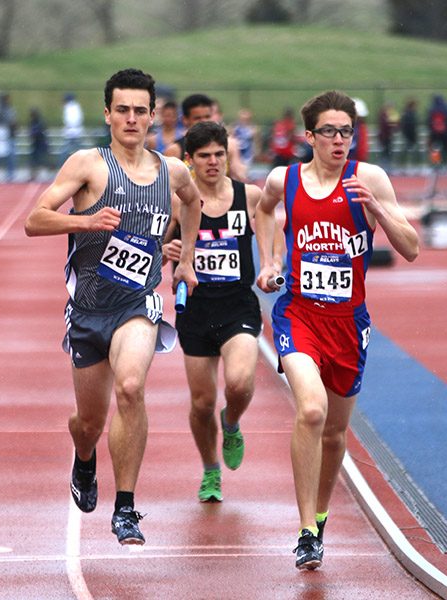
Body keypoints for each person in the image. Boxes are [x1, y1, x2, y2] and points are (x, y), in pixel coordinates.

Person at [24, 68, 202, 546]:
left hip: (138, 303)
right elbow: (34, 220)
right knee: (89, 423)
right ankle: (85, 458)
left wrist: (182, 258)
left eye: (139, 110)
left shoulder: (173, 170)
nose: (130, 118)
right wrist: (85, 224)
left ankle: (126, 508)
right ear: (107, 114)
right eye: (121, 109)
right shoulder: (88, 164)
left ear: (153, 117)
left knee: (130, 387)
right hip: (87, 310)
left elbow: (193, 202)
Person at [254, 90, 419, 570]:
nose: (340, 140)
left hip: (349, 324)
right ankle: (306, 530)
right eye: (329, 131)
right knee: (311, 410)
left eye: (347, 131)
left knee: (334, 432)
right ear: (309, 136)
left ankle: (320, 516)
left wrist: (381, 211)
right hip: (298, 315)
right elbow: (264, 210)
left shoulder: (369, 178)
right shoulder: (283, 179)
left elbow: (410, 248)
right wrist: (271, 260)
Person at [161, 121, 263, 503]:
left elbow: (273, 228)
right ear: (189, 161)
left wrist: (272, 263)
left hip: (238, 304)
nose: (213, 162)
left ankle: (232, 422)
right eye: (204, 156)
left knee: (238, 383)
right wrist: (165, 253)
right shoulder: (177, 201)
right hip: (196, 310)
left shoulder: (248, 196)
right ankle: (210, 470)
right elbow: (154, 248)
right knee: (202, 403)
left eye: (219, 154)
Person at [164, 93, 247, 181]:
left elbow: (239, 175)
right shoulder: (175, 150)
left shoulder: (229, 145)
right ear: (185, 120)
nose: (204, 121)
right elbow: (169, 185)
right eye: (197, 118)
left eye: (207, 116)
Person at [58, 92, 84, 167]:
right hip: (77, 132)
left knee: (64, 152)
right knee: (80, 152)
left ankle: (60, 168)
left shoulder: (69, 107)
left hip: (71, 133)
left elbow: (70, 121)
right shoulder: (76, 106)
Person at [398, 98, 420, 173]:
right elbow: (410, 127)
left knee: (408, 152)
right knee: (410, 153)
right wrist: (412, 136)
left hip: (408, 136)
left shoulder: (406, 113)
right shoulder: (410, 114)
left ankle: (405, 166)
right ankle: (408, 167)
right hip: (409, 137)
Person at [376, 101, 399, 172]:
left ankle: (387, 168)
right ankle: (384, 168)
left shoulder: (388, 115)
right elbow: (385, 126)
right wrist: (392, 124)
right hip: (384, 137)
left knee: (388, 153)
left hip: (388, 137)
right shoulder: (384, 115)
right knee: (385, 153)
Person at [28, 107, 49, 182]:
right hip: (35, 144)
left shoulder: (40, 122)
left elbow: (40, 132)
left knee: (42, 159)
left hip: (41, 143)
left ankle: (46, 174)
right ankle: (33, 175)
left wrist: (33, 133)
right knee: (33, 160)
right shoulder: (32, 121)